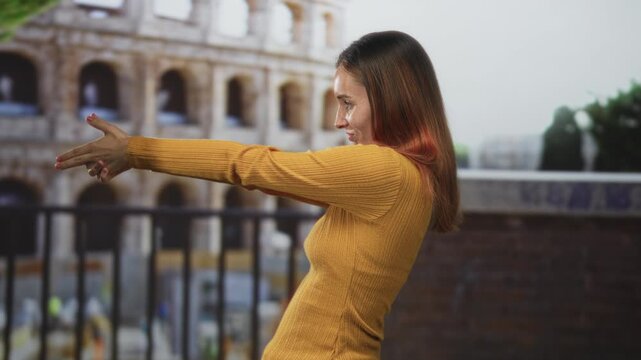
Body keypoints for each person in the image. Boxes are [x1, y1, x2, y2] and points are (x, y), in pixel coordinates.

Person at [55, 30, 461, 359]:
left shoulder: (385, 171)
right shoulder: (404, 176)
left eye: (347, 104)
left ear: (392, 100)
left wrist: (137, 151)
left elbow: (251, 165)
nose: (339, 120)